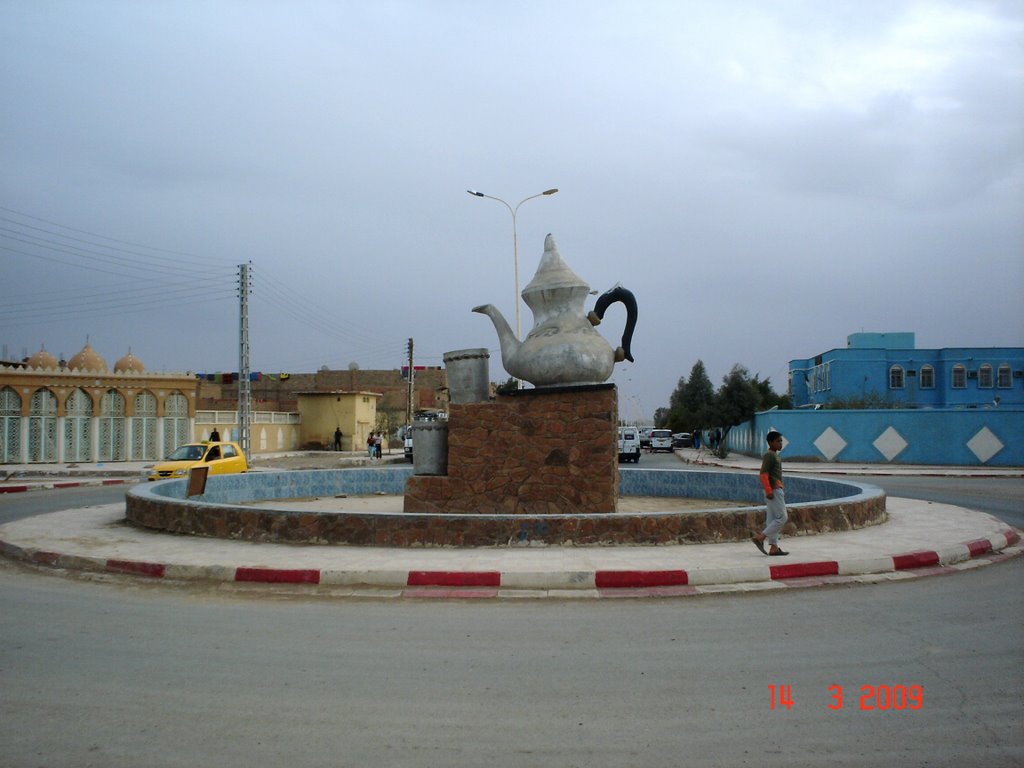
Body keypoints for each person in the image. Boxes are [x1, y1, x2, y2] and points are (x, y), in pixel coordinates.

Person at [752, 431, 788, 556]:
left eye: (781, 441)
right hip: (774, 490)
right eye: (778, 441)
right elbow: (763, 474)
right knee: (782, 517)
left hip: (776, 489)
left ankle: (773, 547)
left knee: (772, 519)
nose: (780, 443)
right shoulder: (769, 456)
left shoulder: (775, 455)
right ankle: (760, 537)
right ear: (770, 442)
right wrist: (768, 490)